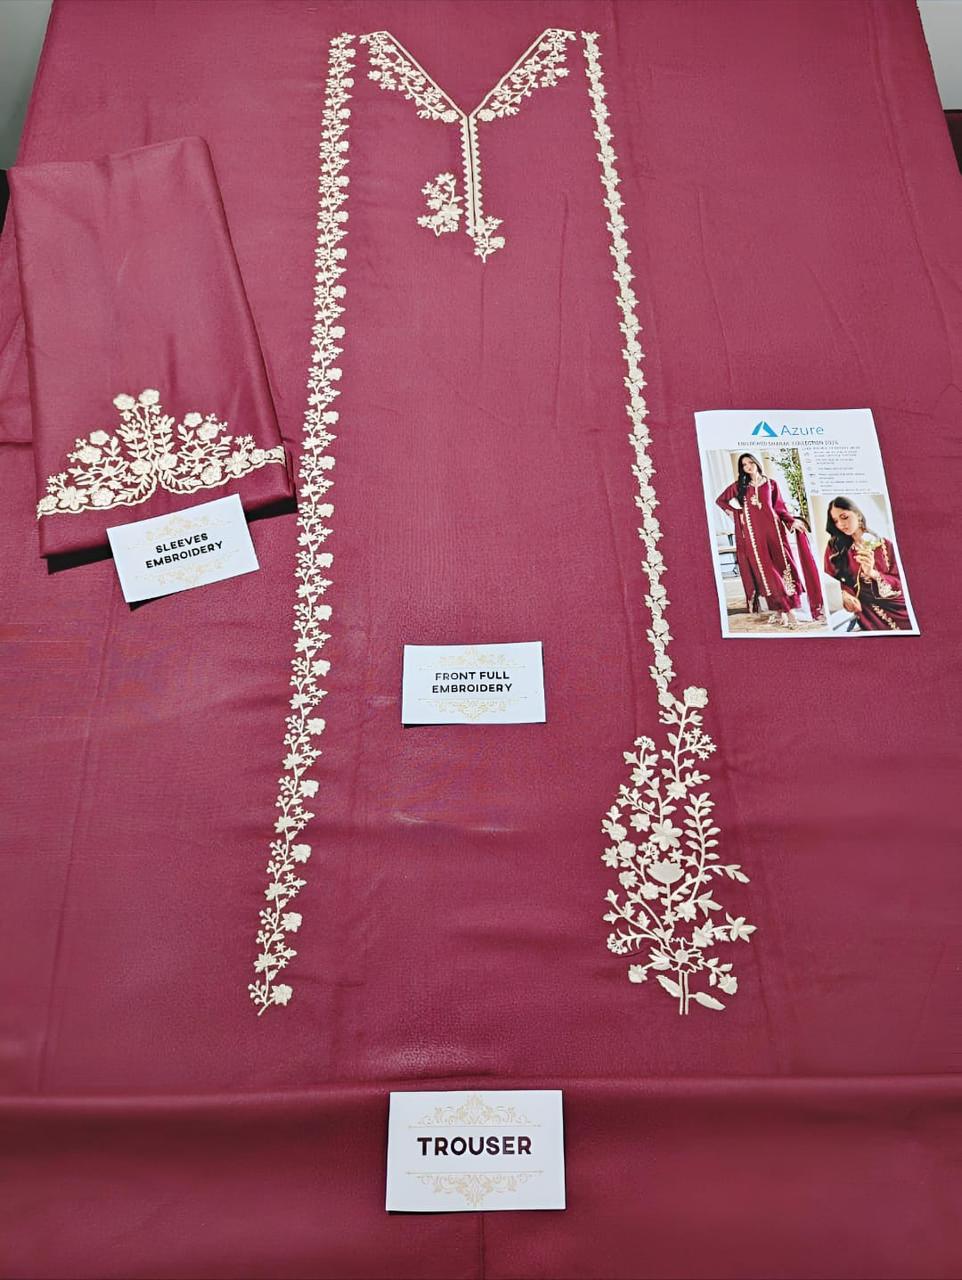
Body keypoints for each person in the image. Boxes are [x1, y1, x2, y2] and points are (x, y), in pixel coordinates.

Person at [715, 453, 822, 628]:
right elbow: (721, 501)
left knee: (784, 568)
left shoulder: (771, 484)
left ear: (756, 463)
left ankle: (781, 612)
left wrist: (791, 521)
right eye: (744, 465)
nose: (748, 466)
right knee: (767, 573)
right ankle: (789, 612)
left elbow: (780, 508)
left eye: (750, 462)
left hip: (775, 533)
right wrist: (737, 513)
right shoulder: (740, 486)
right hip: (754, 536)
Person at [822, 496, 911, 631]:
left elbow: (900, 582)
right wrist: (844, 594)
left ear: (857, 514)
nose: (840, 524)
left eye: (844, 517)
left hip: (896, 603)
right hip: (866, 609)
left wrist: (873, 573)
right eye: (835, 521)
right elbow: (829, 579)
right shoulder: (835, 548)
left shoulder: (885, 545)